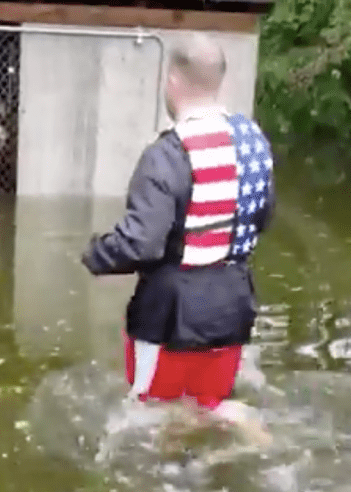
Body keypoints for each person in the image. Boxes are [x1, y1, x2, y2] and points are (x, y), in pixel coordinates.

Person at [80, 33, 275, 445]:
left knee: (149, 417)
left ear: (172, 80)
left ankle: (170, 487)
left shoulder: (166, 155)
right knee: (202, 406)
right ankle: (240, 430)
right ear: (219, 79)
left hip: (170, 316)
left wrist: (95, 253)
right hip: (234, 307)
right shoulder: (254, 142)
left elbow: (140, 244)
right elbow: (264, 217)